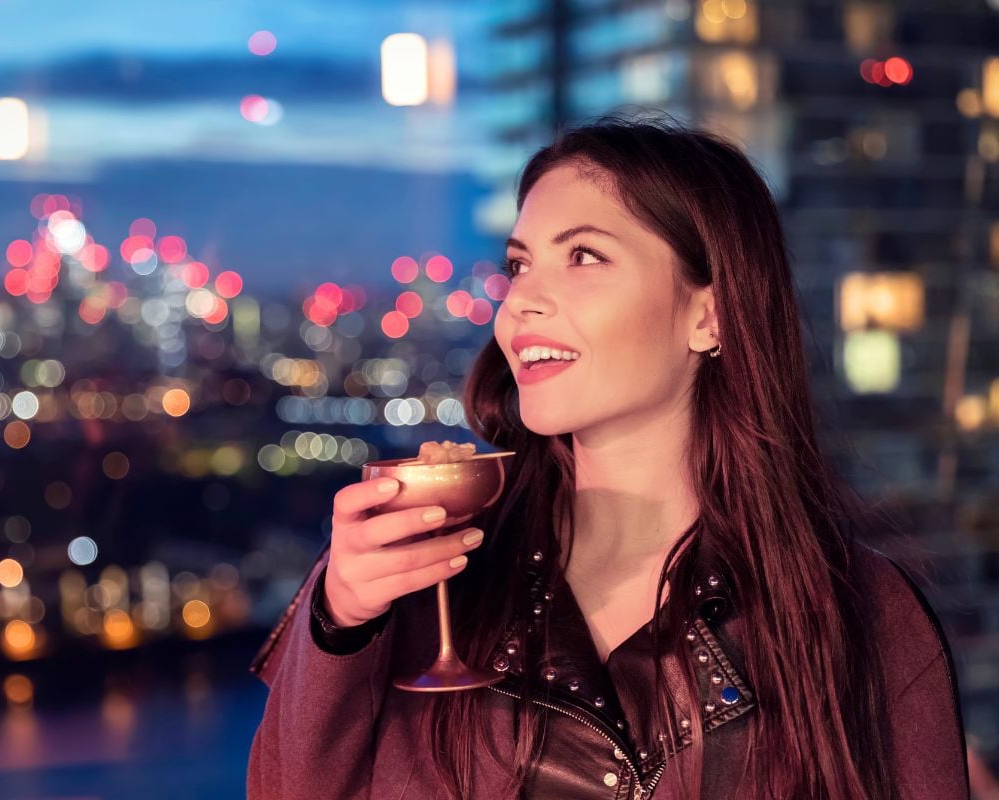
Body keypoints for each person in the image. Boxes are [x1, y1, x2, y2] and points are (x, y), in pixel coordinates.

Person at [246, 111, 969, 799]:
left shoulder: (861, 616)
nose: (521, 300)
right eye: (519, 264)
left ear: (708, 315)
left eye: (584, 256)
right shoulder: (429, 575)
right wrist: (340, 621)